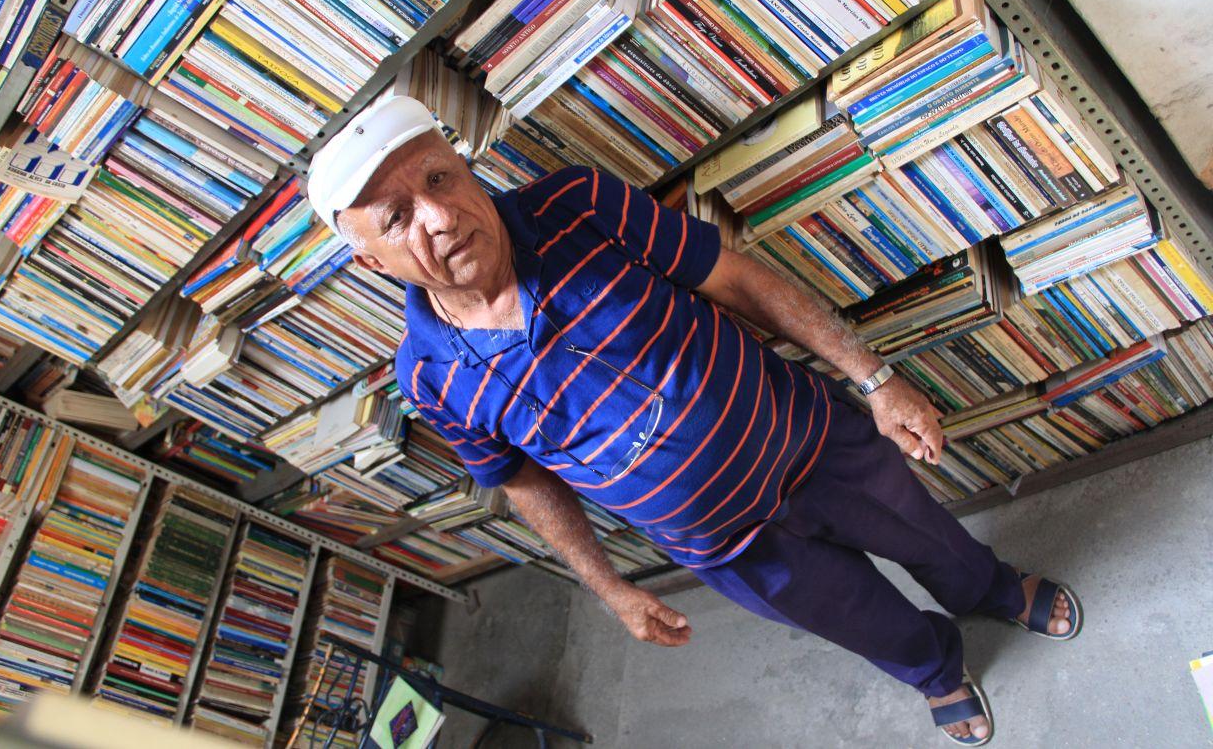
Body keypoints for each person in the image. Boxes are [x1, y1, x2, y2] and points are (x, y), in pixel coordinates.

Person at [308, 95, 1083, 745]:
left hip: (813, 442)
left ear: (466, 166)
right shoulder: (429, 375)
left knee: (926, 533)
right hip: (730, 546)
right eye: (399, 214)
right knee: (858, 618)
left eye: (441, 176)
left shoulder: (574, 204)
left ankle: (988, 588)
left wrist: (875, 377)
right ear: (374, 260)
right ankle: (935, 669)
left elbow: (734, 277)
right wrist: (610, 588)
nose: (440, 215)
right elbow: (523, 482)